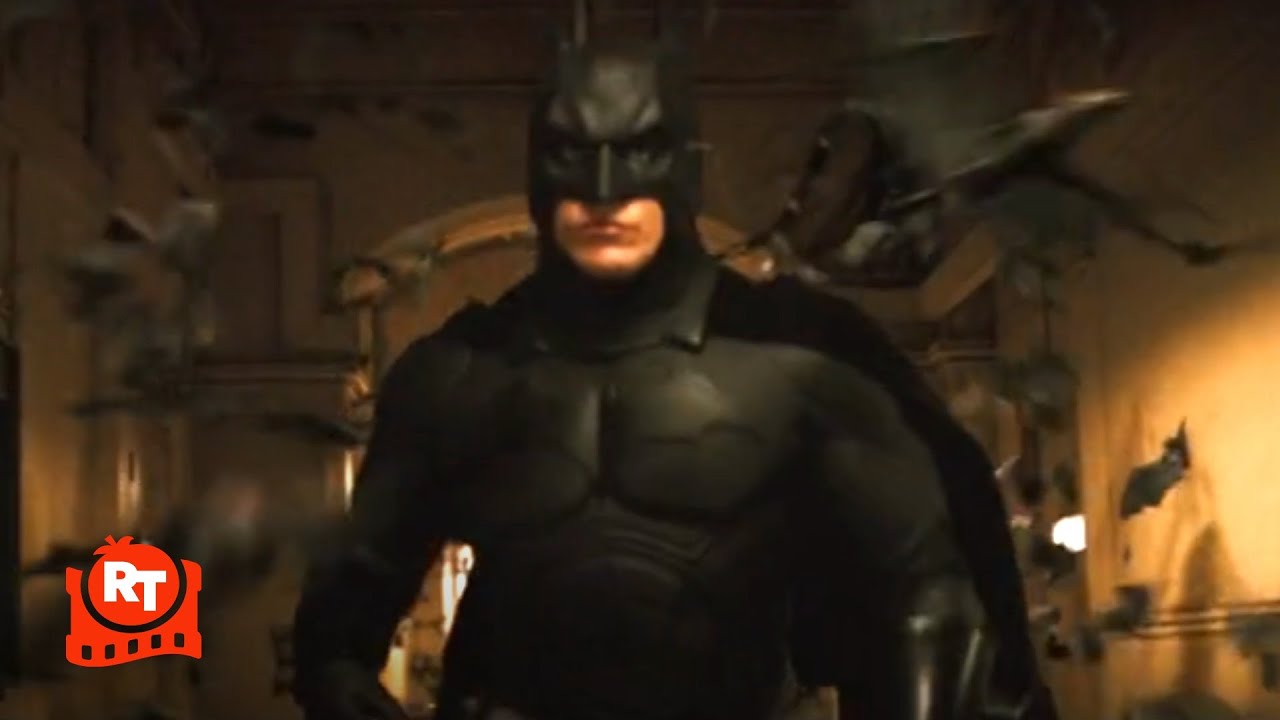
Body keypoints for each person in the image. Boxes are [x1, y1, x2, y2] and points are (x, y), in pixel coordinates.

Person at [290, 27, 1054, 720]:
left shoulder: (806, 359)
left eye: (638, 151)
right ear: (536, 170)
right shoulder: (456, 378)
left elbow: (932, 588)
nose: (604, 190)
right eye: (571, 155)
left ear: (686, 166)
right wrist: (335, 673)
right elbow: (348, 604)